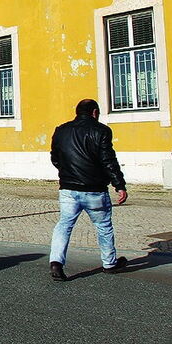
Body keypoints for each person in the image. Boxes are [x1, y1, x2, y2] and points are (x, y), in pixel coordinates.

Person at [48, 98, 128, 281]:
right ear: (94, 112)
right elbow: (108, 161)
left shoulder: (61, 131)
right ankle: (109, 263)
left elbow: (55, 157)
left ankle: (56, 263)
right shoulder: (101, 131)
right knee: (103, 227)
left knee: (64, 225)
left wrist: (66, 172)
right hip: (95, 190)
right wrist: (119, 185)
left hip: (68, 189)